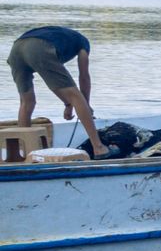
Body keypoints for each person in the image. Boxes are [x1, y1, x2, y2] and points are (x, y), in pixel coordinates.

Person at [9, 25, 107, 157]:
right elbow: (84, 76)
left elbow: (56, 84)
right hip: (38, 47)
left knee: (26, 102)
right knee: (75, 95)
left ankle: (21, 154)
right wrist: (86, 104)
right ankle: (98, 147)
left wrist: (68, 105)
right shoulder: (83, 42)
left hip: (16, 49)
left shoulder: (59, 35)